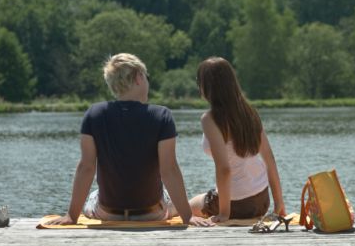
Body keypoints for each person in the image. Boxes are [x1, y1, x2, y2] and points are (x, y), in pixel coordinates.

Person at [48, 53, 211, 227]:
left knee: (94, 195)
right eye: (146, 77)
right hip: (151, 214)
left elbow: (86, 167)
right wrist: (187, 217)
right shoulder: (161, 115)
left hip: (108, 212)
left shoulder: (94, 114)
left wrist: (72, 216)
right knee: (172, 196)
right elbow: (169, 170)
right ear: (139, 78)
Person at [190, 57, 286, 222]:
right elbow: (269, 159)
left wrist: (224, 213)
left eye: (200, 83)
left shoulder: (210, 119)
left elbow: (224, 168)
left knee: (181, 207)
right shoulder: (249, 112)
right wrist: (279, 204)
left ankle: (161, 209)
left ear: (207, 87)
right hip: (261, 201)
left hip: (236, 206)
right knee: (202, 197)